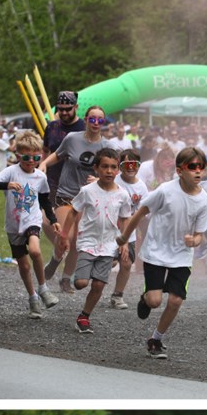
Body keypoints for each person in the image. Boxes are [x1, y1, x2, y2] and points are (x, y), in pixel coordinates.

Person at [115, 147, 207, 360]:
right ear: (180, 170)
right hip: (156, 251)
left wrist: (194, 241)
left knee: (176, 300)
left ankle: (156, 339)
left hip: (181, 255)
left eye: (201, 167)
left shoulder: (204, 200)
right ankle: (145, 298)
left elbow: (199, 235)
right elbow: (141, 212)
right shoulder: (165, 191)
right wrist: (124, 237)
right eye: (192, 167)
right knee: (154, 301)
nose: (198, 171)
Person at [42, 105, 124, 291]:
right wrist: (44, 164)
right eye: (92, 119)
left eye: (100, 120)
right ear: (85, 120)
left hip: (91, 198)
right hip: (67, 194)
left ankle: (66, 278)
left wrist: (99, 178)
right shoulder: (72, 139)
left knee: (77, 241)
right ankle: (55, 259)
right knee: (66, 235)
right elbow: (57, 155)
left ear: (104, 123)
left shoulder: (107, 146)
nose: (95, 123)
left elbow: (114, 170)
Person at [0, 131, 60, 316]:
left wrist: (53, 220)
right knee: (24, 266)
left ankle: (43, 289)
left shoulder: (40, 177)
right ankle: (33, 298)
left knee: (35, 251)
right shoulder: (11, 172)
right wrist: (6, 185)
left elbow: (44, 200)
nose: (30, 161)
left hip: (32, 220)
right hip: (13, 225)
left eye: (36, 157)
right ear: (18, 155)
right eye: (25, 157)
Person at [60, 148, 133, 335]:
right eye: (105, 167)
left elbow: (125, 219)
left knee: (99, 285)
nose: (109, 171)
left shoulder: (123, 195)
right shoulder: (87, 191)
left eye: (113, 167)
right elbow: (73, 211)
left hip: (109, 244)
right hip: (87, 241)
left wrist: (123, 242)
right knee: (81, 283)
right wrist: (64, 235)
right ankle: (82, 273)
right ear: (96, 169)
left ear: (118, 170)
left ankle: (84, 317)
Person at [110, 148, 149, 309]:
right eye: (127, 164)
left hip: (129, 232)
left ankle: (117, 295)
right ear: (120, 166)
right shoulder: (113, 181)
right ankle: (95, 287)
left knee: (126, 264)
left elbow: (142, 211)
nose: (131, 167)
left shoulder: (141, 187)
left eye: (134, 164)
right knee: (109, 262)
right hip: (110, 231)